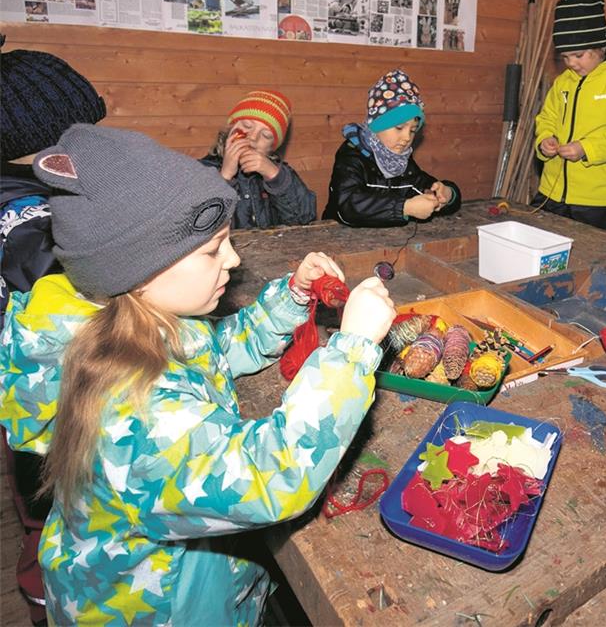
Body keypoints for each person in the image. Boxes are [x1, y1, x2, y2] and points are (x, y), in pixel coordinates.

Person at [0, 125, 396, 624]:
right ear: (138, 270)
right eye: (212, 249)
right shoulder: (129, 410)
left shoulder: (140, 325)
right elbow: (266, 477)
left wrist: (291, 298)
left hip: (193, 582)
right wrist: (353, 350)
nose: (233, 259)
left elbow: (220, 348)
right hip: (160, 610)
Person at [0, 41, 106, 624]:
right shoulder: (24, 217)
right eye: (79, 138)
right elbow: (69, 273)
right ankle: (48, 590)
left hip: (41, 378)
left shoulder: (34, 190)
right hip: (44, 386)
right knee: (47, 491)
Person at [532, 0, 606, 231]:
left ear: (601, 47)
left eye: (578, 55)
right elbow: (546, 118)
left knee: (585, 259)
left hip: (594, 201)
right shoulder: (563, 82)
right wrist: (545, 140)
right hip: (551, 191)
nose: (572, 63)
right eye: (565, 56)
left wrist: (586, 148)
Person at [322, 68, 462, 227]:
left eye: (413, 130)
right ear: (378, 125)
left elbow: (423, 184)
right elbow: (348, 204)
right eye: (399, 127)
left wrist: (447, 194)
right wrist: (404, 208)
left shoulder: (402, 162)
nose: (407, 137)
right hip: (338, 238)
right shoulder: (352, 156)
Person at [200, 89, 317, 229]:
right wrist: (224, 177)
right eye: (247, 126)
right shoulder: (201, 171)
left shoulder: (282, 175)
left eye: (266, 135)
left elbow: (303, 219)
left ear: (271, 148)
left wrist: (274, 176)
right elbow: (197, 224)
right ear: (230, 128)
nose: (253, 138)